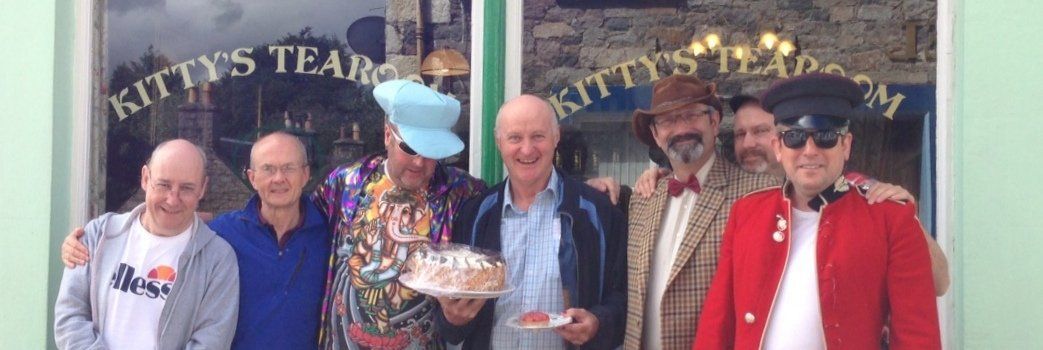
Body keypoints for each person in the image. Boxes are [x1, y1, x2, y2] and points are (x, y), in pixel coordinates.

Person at [694, 73, 941, 349]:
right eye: (795, 138)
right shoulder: (746, 213)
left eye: (825, 137)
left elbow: (918, 337)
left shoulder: (890, 219)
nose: (809, 151)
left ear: (846, 145)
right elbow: (716, 326)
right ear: (778, 147)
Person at [635, 93, 951, 296]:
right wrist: (658, 178)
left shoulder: (852, 188)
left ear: (783, 138)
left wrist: (902, 214)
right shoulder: (734, 197)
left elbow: (937, 282)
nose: (748, 144)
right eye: (740, 134)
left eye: (760, 131)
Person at [61, 132, 332, 349]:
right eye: (268, 168)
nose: (278, 178)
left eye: (289, 168)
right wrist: (75, 244)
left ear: (306, 174)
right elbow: (71, 315)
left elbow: (210, 336)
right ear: (251, 178)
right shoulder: (225, 234)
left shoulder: (332, 238)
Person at [434, 95, 627, 349]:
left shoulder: (596, 212)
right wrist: (452, 320)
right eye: (515, 138)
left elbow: (625, 295)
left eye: (538, 136)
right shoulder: (474, 215)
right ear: (499, 142)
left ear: (556, 137)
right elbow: (452, 323)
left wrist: (599, 323)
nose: (527, 149)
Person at [315, 79, 487, 349]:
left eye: (431, 151)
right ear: (387, 135)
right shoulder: (345, 183)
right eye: (409, 148)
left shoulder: (463, 192)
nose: (419, 162)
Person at [624, 75, 778, 350]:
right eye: (668, 120)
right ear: (656, 135)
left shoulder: (760, 194)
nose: (681, 128)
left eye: (692, 115)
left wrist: (870, 188)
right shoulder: (642, 198)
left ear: (715, 123)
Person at [54, 139, 239, 350]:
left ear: (203, 188)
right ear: (145, 178)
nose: (172, 199)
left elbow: (211, 341)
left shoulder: (218, 259)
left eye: (186, 188)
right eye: (164, 185)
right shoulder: (98, 235)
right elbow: (70, 316)